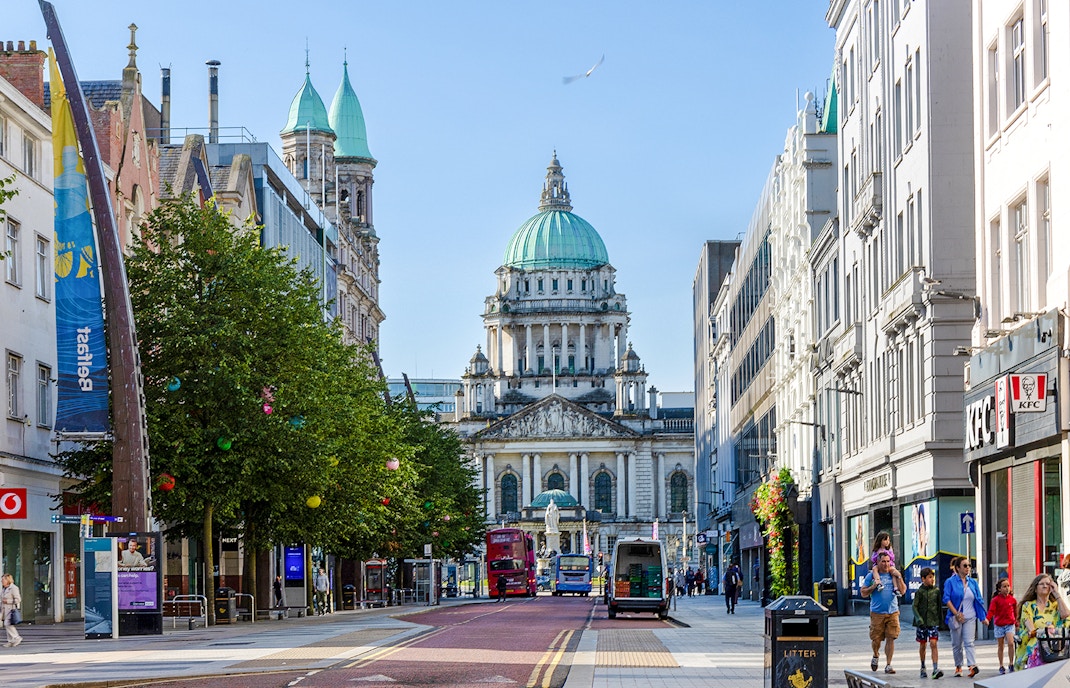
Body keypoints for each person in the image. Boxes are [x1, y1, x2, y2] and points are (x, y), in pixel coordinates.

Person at [942, 557, 988, 678]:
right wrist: (956, 613)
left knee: (969, 642)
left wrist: (983, 617)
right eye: (965, 566)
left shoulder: (972, 582)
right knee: (957, 644)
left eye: (969, 565)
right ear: (958, 568)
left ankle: (972, 666)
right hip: (956, 617)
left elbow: (978, 600)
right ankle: (958, 666)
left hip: (970, 616)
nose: (968, 568)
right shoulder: (950, 582)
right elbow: (946, 599)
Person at [862, 551, 907, 675]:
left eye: (888, 561)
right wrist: (873, 587)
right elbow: (863, 592)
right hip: (877, 612)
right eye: (883, 561)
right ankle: (876, 655)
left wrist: (899, 577)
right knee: (876, 639)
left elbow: (903, 591)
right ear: (878, 562)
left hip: (892, 612)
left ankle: (888, 664)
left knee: (891, 637)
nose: (886, 564)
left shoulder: (893, 575)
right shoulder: (871, 576)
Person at [1014, 572, 1070, 671]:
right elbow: (1030, 628)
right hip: (1035, 644)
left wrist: (1057, 594)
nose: (1045, 586)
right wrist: (1044, 631)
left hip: (1054, 646)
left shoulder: (1055, 605)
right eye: (1042, 584)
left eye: (1048, 584)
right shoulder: (1028, 606)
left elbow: (1065, 615)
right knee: (1035, 650)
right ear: (1035, 588)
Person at [911, 567, 944, 679]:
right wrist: (918, 619)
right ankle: (923, 666)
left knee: (934, 644)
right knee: (923, 644)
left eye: (933, 577)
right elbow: (914, 606)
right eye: (929, 577)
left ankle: (935, 668)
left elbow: (939, 607)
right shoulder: (919, 592)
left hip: (933, 621)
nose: (932, 579)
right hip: (922, 623)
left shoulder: (936, 591)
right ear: (923, 579)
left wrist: (941, 621)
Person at [986, 577, 1017, 675]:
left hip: (1009, 624)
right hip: (999, 625)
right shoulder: (996, 600)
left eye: (1008, 586)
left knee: (1011, 643)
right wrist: (988, 619)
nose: (1007, 588)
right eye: (1004, 586)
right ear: (999, 589)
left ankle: (1011, 663)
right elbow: (991, 611)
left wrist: (1017, 622)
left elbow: (1015, 612)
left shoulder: (1012, 600)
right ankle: (1001, 665)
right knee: (1001, 645)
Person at [1, 573, 22, 647]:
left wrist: (8, 601)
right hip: (4, 609)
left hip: (11, 609)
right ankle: (10, 641)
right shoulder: (4, 589)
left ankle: (16, 637)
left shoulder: (13, 588)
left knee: (8, 624)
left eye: (3, 579)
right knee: (6, 624)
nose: (2, 581)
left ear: (8, 580)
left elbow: (18, 599)